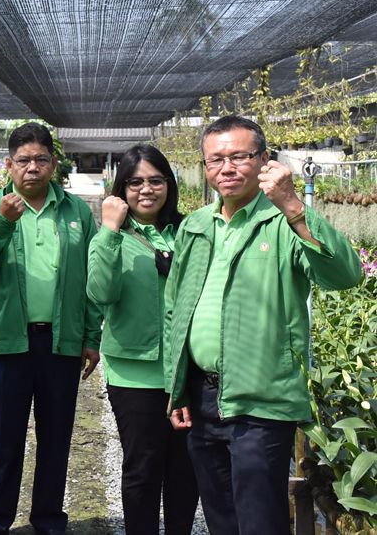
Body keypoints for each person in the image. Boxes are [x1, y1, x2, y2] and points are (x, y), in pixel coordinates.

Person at [165, 115, 361, 535]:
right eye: (216, 159)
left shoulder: (283, 221)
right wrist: (177, 385)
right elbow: (175, 310)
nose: (227, 168)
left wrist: (294, 206)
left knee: (259, 520)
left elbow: (345, 275)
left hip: (262, 399)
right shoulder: (196, 225)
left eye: (240, 156)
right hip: (202, 395)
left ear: (264, 160)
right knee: (220, 517)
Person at [0, 122, 102, 535]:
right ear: (9, 165)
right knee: (4, 438)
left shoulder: (77, 211)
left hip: (60, 341)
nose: (33, 167)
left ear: (54, 164)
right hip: (9, 341)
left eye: (41, 159)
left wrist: (91, 337)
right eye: (23, 160)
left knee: (56, 435)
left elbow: (91, 278)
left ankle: (48, 519)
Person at [86, 144, 199, 535]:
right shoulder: (114, 236)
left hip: (188, 371)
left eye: (155, 180)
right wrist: (110, 230)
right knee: (143, 469)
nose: (146, 189)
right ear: (122, 189)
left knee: (186, 471)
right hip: (135, 375)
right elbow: (100, 292)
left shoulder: (190, 231)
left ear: (169, 184)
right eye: (135, 182)